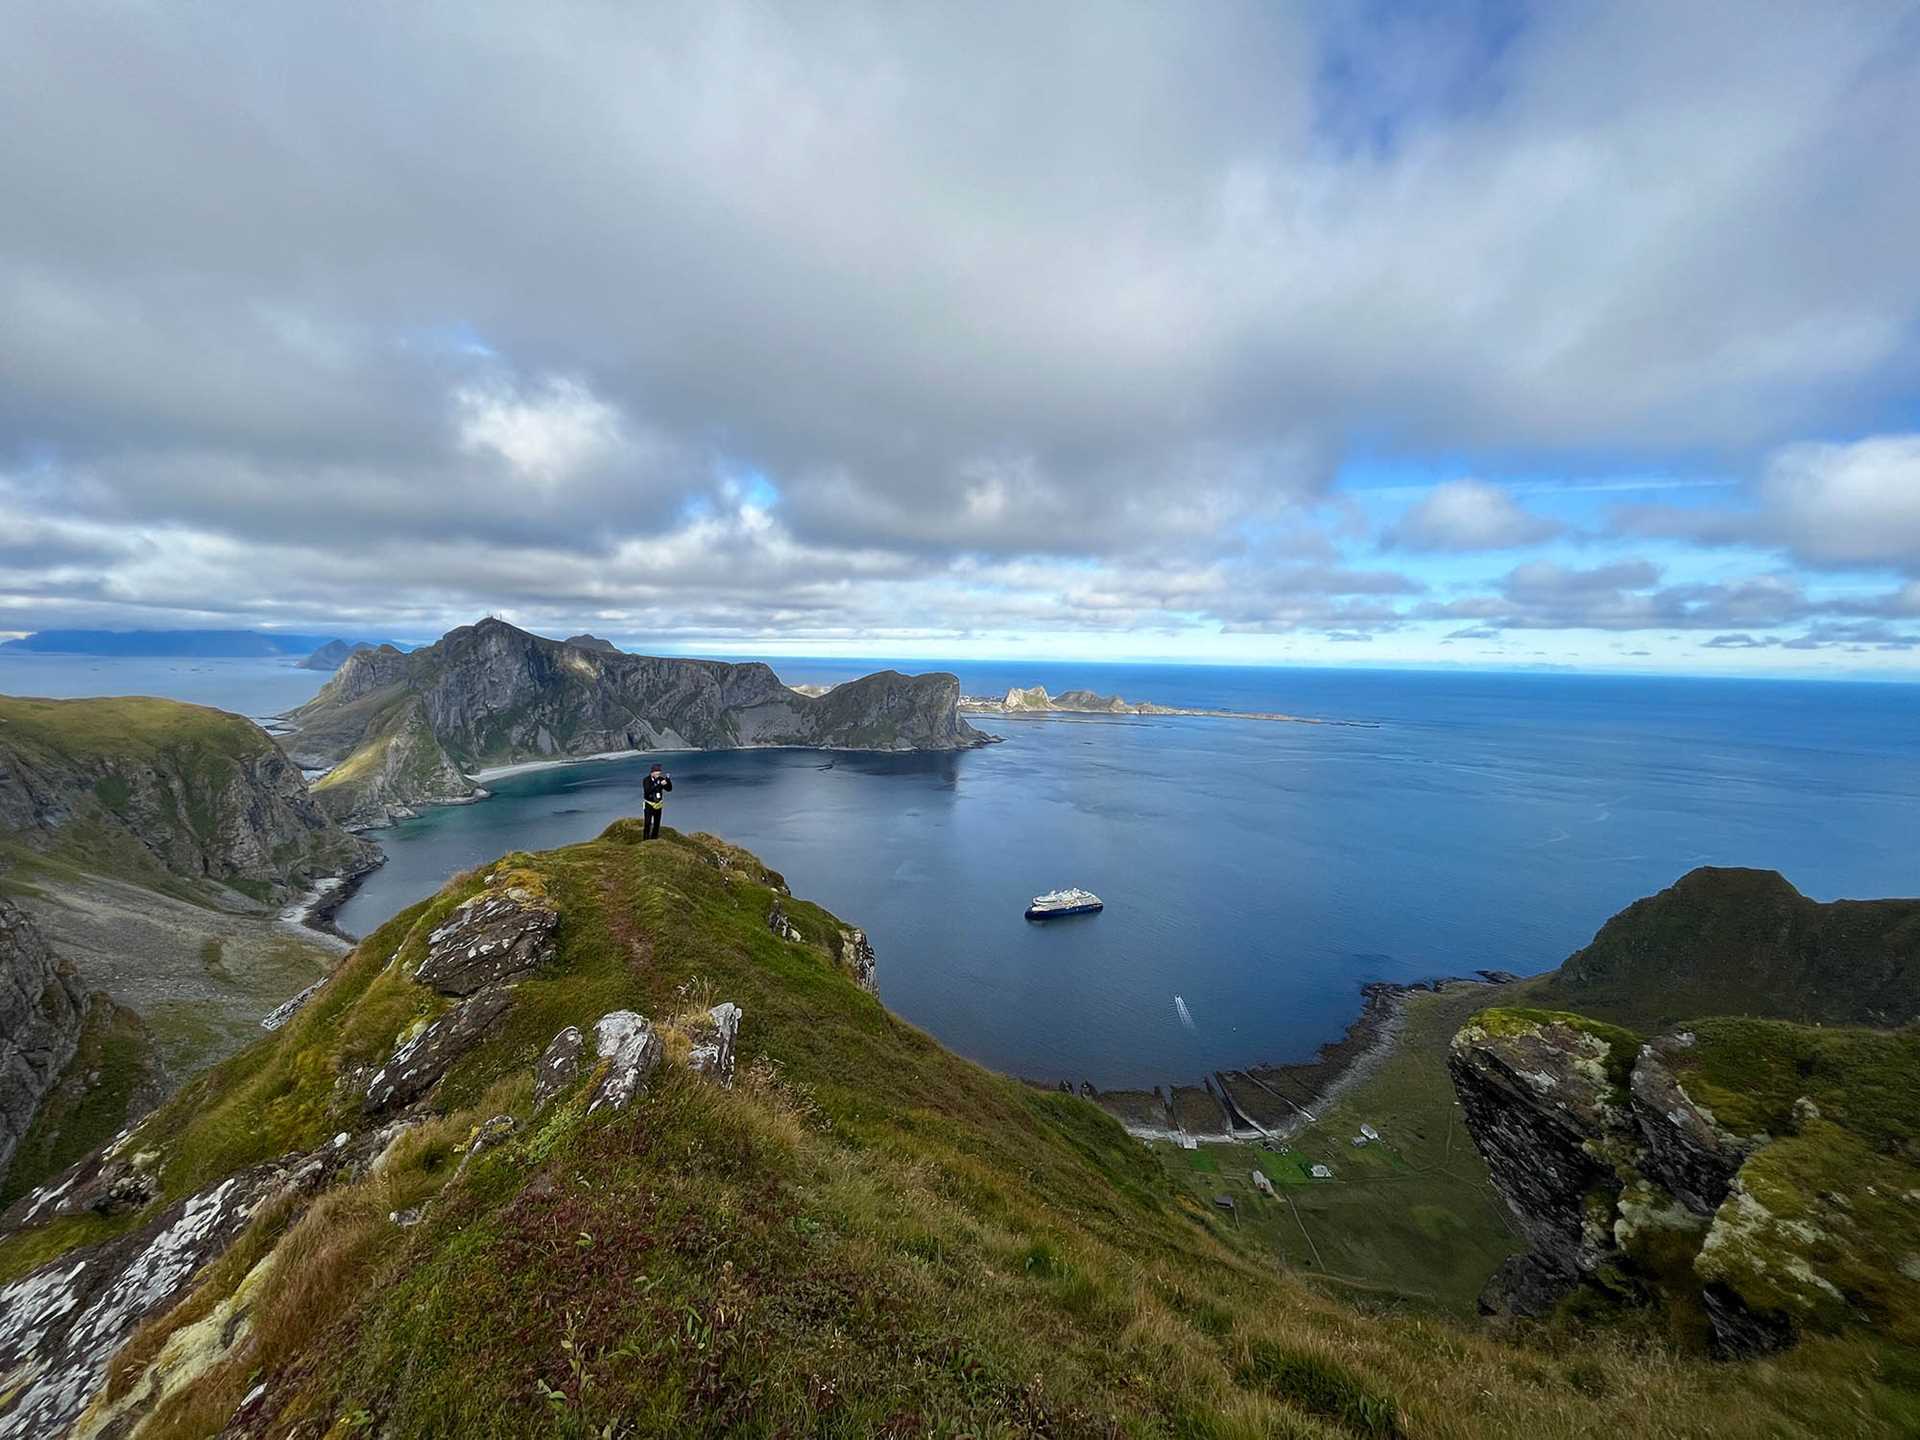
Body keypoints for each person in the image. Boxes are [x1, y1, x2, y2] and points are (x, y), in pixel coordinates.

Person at [641, 763, 673, 840]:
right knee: (647, 823)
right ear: (652, 772)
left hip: (658, 804)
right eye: (657, 771)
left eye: (659, 771)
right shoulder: (646, 780)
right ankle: (645, 840)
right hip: (649, 804)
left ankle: (654, 839)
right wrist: (659, 785)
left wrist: (668, 781)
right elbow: (648, 791)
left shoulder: (661, 779)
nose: (659, 773)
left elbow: (669, 789)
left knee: (657, 823)